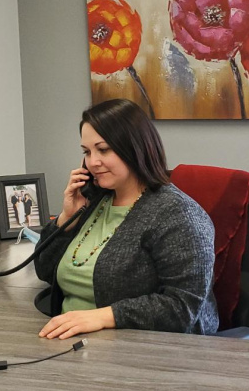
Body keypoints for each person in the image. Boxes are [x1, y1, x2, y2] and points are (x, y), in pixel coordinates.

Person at [34, 98, 219, 340]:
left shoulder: (177, 215)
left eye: (103, 149)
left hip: (145, 350)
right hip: (71, 341)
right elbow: (45, 271)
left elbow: (182, 308)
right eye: (86, 152)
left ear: (134, 148)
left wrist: (102, 316)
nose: (92, 162)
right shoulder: (93, 201)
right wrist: (68, 218)